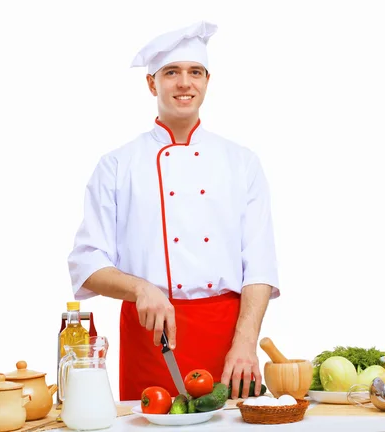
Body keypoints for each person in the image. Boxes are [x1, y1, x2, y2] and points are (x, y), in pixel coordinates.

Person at [67, 21, 280, 402]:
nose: (184, 83)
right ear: (152, 84)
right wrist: (141, 288)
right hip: (151, 338)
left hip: (228, 339)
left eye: (194, 72)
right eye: (171, 73)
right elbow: (87, 263)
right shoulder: (118, 165)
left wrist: (246, 343)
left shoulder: (241, 162)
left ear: (207, 81)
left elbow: (260, 266)